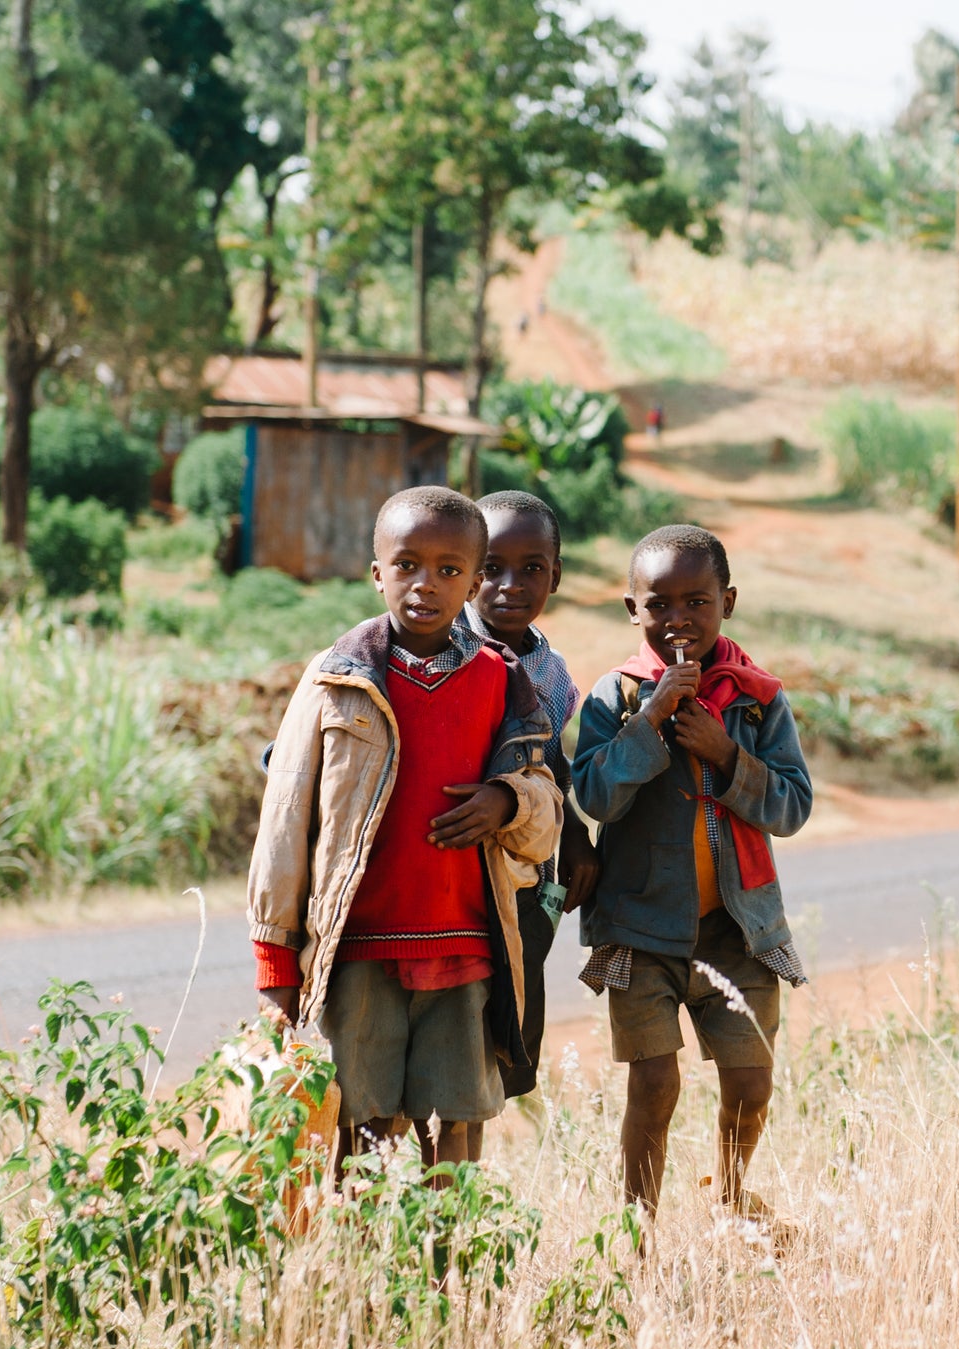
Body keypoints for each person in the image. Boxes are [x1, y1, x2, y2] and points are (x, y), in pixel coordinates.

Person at [248, 486, 562, 1179]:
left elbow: (545, 811)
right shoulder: (335, 679)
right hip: (359, 946)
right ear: (376, 572)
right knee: (362, 1121)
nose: (427, 584)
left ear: (475, 583)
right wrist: (276, 961)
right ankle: (366, 1275)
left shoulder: (502, 681)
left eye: (450, 570)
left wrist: (507, 801)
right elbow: (286, 820)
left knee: (460, 1124)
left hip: (467, 945)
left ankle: (446, 1272)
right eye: (408, 564)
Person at [571, 524, 813, 1230]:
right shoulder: (613, 696)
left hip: (739, 927)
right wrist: (649, 722)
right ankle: (636, 1229)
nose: (678, 620)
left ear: (727, 601)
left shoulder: (757, 699)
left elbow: (792, 804)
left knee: (750, 1078)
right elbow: (594, 795)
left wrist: (726, 752)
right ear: (631, 608)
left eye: (697, 601)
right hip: (640, 929)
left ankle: (732, 1193)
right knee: (653, 1083)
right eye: (660, 605)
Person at [463, 489, 600, 1100]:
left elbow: (551, 758)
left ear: (557, 574)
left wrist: (574, 831)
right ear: (466, 569)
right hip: (455, 865)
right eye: (491, 568)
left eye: (532, 569)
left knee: (510, 1014)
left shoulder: (549, 669)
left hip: (526, 866)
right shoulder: (443, 650)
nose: (510, 586)